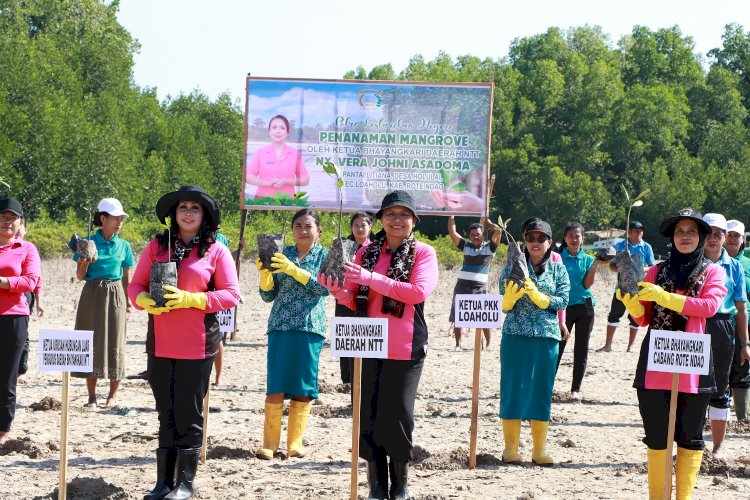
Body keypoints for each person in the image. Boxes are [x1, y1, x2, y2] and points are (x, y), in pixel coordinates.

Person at [319, 190, 438, 500]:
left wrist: (371, 278)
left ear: (414, 221)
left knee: (397, 412)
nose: (396, 220)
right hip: (368, 341)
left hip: (405, 344)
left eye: (403, 215)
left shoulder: (424, 253)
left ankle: (400, 485)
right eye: (390, 215)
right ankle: (375, 484)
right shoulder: (367, 252)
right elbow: (355, 298)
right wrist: (336, 291)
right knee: (367, 413)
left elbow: (417, 292)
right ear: (380, 220)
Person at [128, 185, 240, 500]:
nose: (188, 213)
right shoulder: (156, 247)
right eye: (183, 207)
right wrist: (144, 301)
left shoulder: (216, 250)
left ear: (204, 216)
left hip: (197, 346)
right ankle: (163, 482)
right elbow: (135, 286)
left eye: (195, 208)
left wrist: (192, 298)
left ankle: (185, 484)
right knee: (166, 414)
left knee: (189, 416)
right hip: (161, 344)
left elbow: (231, 294)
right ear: (173, 214)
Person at [619, 209, 725, 499]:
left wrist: (664, 296)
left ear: (702, 237)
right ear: (672, 238)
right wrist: (633, 304)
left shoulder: (713, 271)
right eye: (680, 231)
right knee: (656, 436)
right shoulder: (655, 271)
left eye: (692, 231)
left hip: (694, 363)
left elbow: (709, 307)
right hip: (657, 362)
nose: (686, 236)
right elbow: (644, 320)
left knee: (690, 437)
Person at [254, 208, 329, 461]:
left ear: (319, 231)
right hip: (281, 325)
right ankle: (270, 444)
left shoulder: (325, 256)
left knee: (303, 386)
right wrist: (265, 275)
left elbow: (322, 288)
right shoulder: (281, 253)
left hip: (310, 327)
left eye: (308, 226)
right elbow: (268, 295)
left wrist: (292, 269)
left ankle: (294, 442)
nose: (303, 231)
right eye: (298, 226)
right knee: (276, 383)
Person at [499, 219, 569, 467]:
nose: (535, 243)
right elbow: (503, 302)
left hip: (547, 338)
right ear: (524, 241)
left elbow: (563, 299)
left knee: (541, 391)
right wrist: (509, 298)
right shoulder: (513, 265)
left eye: (541, 238)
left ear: (550, 242)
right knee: (513, 389)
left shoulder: (559, 269)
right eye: (531, 238)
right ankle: (510, 449)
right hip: (515, 335)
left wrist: (541, 299)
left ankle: (539, 450)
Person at [71, 198, 133, 408]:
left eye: (121, 219)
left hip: (115, 294)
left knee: (116, 342)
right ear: (103, 218)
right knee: (91, 341)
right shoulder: (87, 242)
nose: (119, 222)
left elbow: (126, 277)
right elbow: (80, 276)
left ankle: (113, 395)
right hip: (92, 293)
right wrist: (85, 261)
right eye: (115, 218)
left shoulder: (124, 246)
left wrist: (128, 303)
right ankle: (92, 396)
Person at [700, 213, 747, 456]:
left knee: (719, 388)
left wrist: (745, 343)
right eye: (708, 233)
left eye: (718, 234)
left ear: (724, 237)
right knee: (693, 388)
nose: (712, 238)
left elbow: (740, 308)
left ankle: (717, 448)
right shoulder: (691, 262)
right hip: (693, 326)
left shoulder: (735, 267)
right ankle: (694, 442)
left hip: (722, 327)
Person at [0, 198, 41, 445]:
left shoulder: (27, 249)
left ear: (20, 222)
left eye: (12, 218)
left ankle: (3, 428)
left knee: (7, 376)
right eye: (3, 217)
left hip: (13, 317)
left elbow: (30, 282)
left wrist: (3, 283)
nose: (7, 222)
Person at [555, 222, 608, 399]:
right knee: (557, 347)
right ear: (565, 238)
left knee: (581, 349)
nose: (574, 239)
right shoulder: (557, 257)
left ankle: (575, 389)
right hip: (563, 308)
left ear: (582, 238)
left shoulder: (588, 259)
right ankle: (547, 385)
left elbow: (586, 285)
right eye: (570, 235)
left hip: (585, 307)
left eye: (577, 236)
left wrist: (595, 265)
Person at [597, 221, 655, 352]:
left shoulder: (646, 247)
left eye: (641, 231)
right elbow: (612, 266)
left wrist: (639, 269)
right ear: (629, 232)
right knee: (614, 315)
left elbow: (652, 266)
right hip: (621, 288)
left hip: (640, 288)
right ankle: (608, 345)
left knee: (635, 317)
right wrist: (623, 269)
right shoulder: (619, 246)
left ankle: (630, 347)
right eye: (636, 230)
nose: (639, 233)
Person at [447, 215, 501, 350]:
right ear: (469, 236)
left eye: (478, 234)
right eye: (472, 235)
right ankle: (458, 344)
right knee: (458, 317)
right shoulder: (466, 246)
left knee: (484, 318)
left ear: (483, 235)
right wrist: (451, 215)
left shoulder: (490, 248)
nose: (475, 237)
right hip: (462, 286)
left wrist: (489, 223)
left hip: (479, 288)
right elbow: (453, 233)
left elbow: (498, 231)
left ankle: (488, 344)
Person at [336, 212, 373, 385]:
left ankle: (364, 375)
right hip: (344, 295)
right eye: (355, 225)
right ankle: (348, 378)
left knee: (364, 336)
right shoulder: (344, 245)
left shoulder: (375, 248)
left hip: (368, 297)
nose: (359, 229)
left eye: (363, 225)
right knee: (345, 335)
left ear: (370, 227)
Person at [246, 114, 310, 199]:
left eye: (282, 128)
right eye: (274, 127)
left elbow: (305, 180)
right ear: (269, 131)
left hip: (287, 205)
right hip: (262, 203)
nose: (278, 131)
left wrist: (286, 181)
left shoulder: (295, 154)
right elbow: (248, 177)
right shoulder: (260, 152)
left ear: (287, 132)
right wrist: (267, 183)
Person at [725, 219, 750, 420]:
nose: (733, 239)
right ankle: (716, 415)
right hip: (721, 322)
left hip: (745, 323)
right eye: (729, 235)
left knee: (743, 366)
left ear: (742, 240)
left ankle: (742, 419)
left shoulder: (748, 264)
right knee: (718, 370)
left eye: (736, 236)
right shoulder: (712, 261)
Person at [15, 218, 43, 378]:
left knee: (23, 331)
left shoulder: (29, 249)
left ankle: (21, 367)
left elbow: (36, 280)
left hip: (26, 294)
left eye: (21, 227)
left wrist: (39, 302)